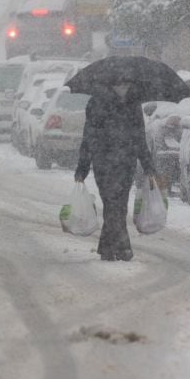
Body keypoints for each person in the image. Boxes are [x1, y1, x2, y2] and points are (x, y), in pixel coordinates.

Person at [74, 82, 156, 261]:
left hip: (126, 163)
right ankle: (122, 247)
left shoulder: (133, 104)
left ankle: (107, 248)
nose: (123, 86)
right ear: (112, 84)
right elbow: (89, 136)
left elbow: (139, 137)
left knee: (118, 205)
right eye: (120, 83)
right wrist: (82, 168)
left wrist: (148, 165)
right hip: (104, 163)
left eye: (126, 83)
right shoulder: (96, 103)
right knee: (112, 204)